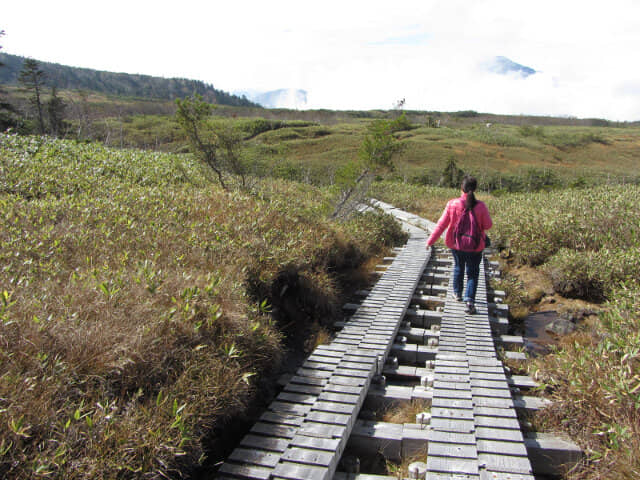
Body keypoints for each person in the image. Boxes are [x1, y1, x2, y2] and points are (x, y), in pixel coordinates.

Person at [426, 175, 492, 314]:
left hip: (457, 245)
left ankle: (457, 294)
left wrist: (430, 241)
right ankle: (469, 301)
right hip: (475, 246)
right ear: (474, 189)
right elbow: (488, 225)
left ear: (461, 188)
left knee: (458, 267)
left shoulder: (452, 204)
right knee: (473, 273)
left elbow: (441, 225)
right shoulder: (481, 206)